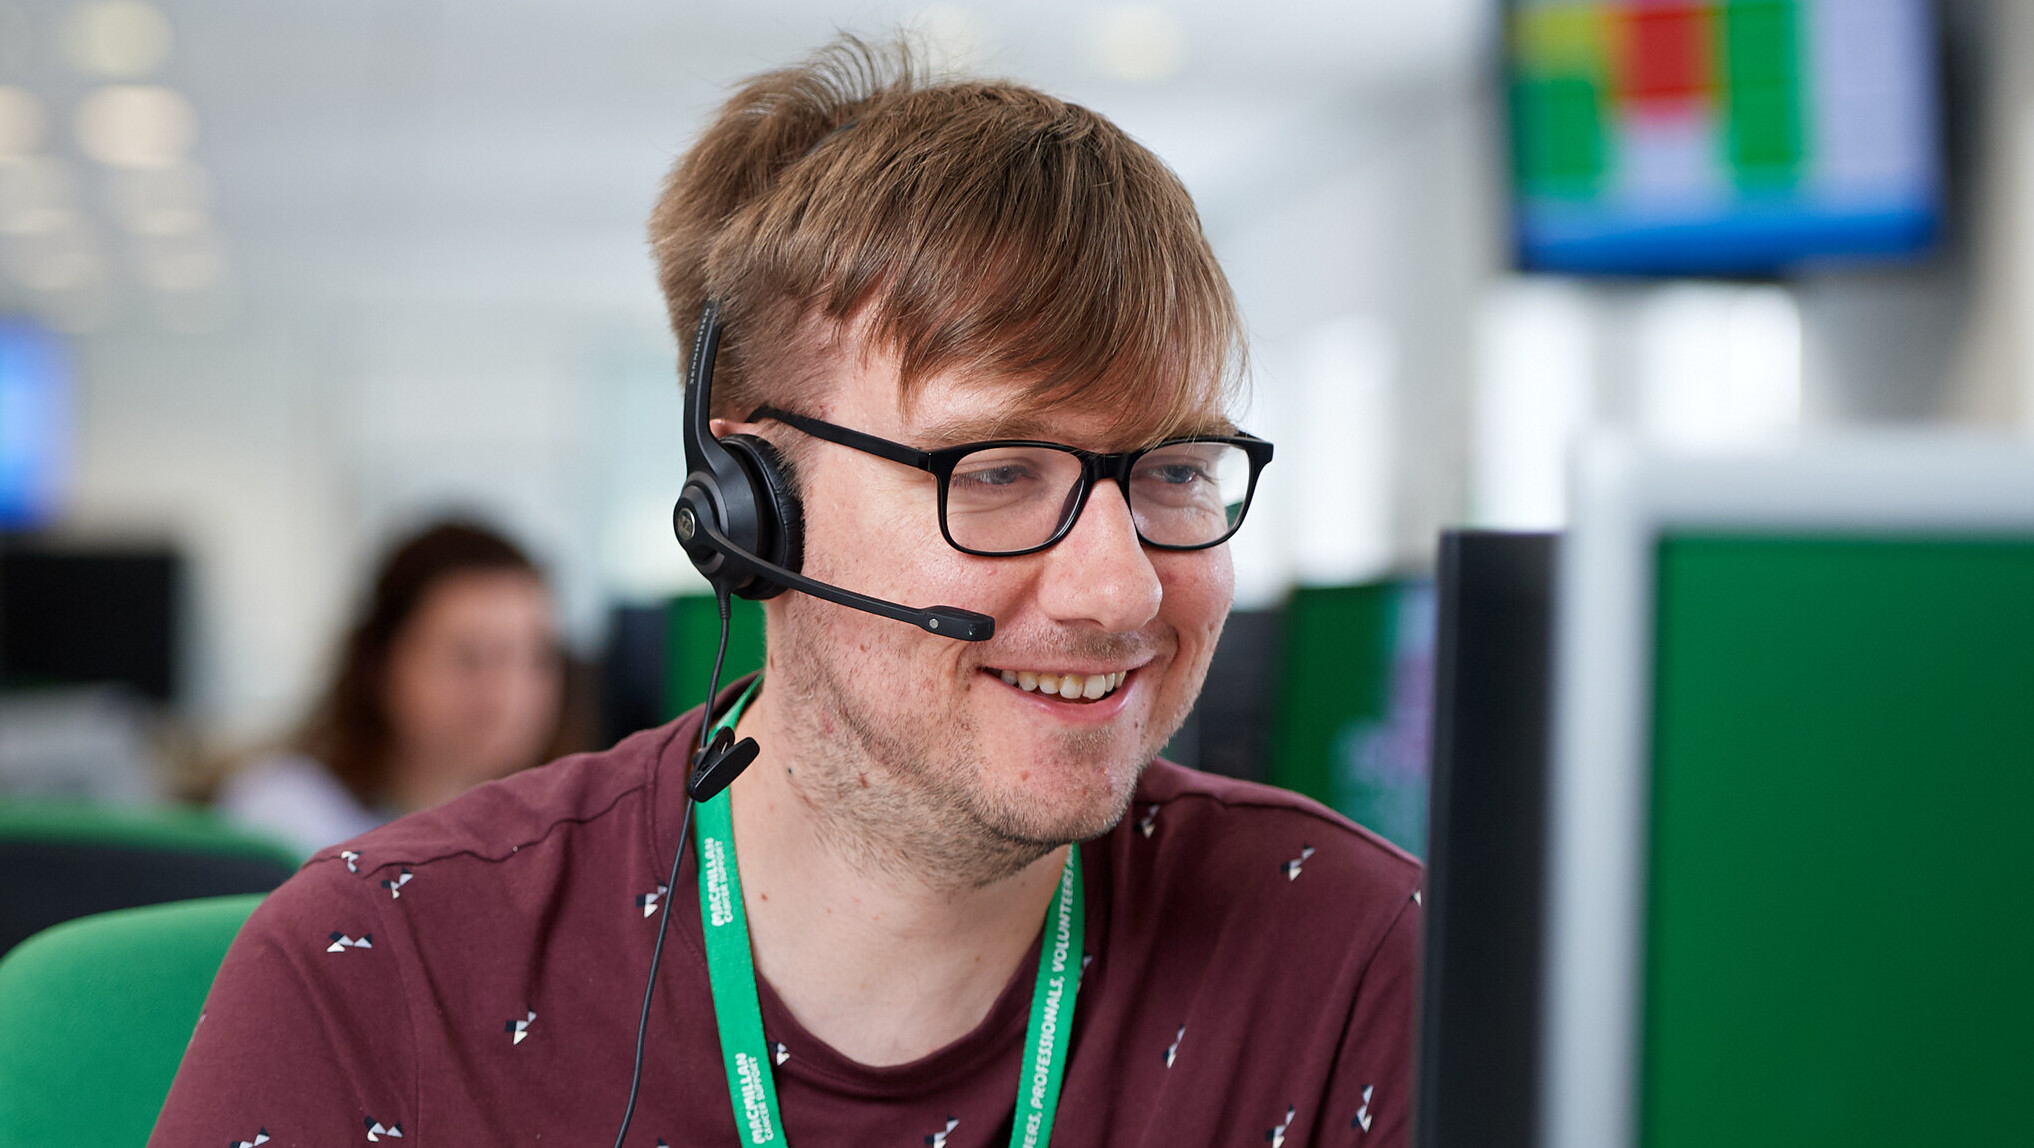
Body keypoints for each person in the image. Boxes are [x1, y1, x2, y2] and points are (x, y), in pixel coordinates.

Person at [153, 39, 1420, 1147]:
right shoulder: (382, 968)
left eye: (1175, 469)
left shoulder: (1362, 967)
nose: (1118, 583)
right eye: (996, 472)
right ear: (750, 498)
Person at [213, 520, 575, 855]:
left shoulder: (567, 834)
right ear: (381, 663)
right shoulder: (286, 817)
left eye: (536, 658)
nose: (507, 696)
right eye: (470, 658)